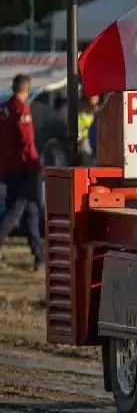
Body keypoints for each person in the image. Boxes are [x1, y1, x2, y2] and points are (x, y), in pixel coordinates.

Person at [0, 74, 45, 270]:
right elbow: (26, 142)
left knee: (31, 211)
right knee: (15, 211)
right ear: (26, 90)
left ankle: (39, 255)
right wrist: (37, 165)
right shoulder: (22, 110)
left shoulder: (4, 109)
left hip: (9, 168)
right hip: (24, 168)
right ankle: (39, 255)